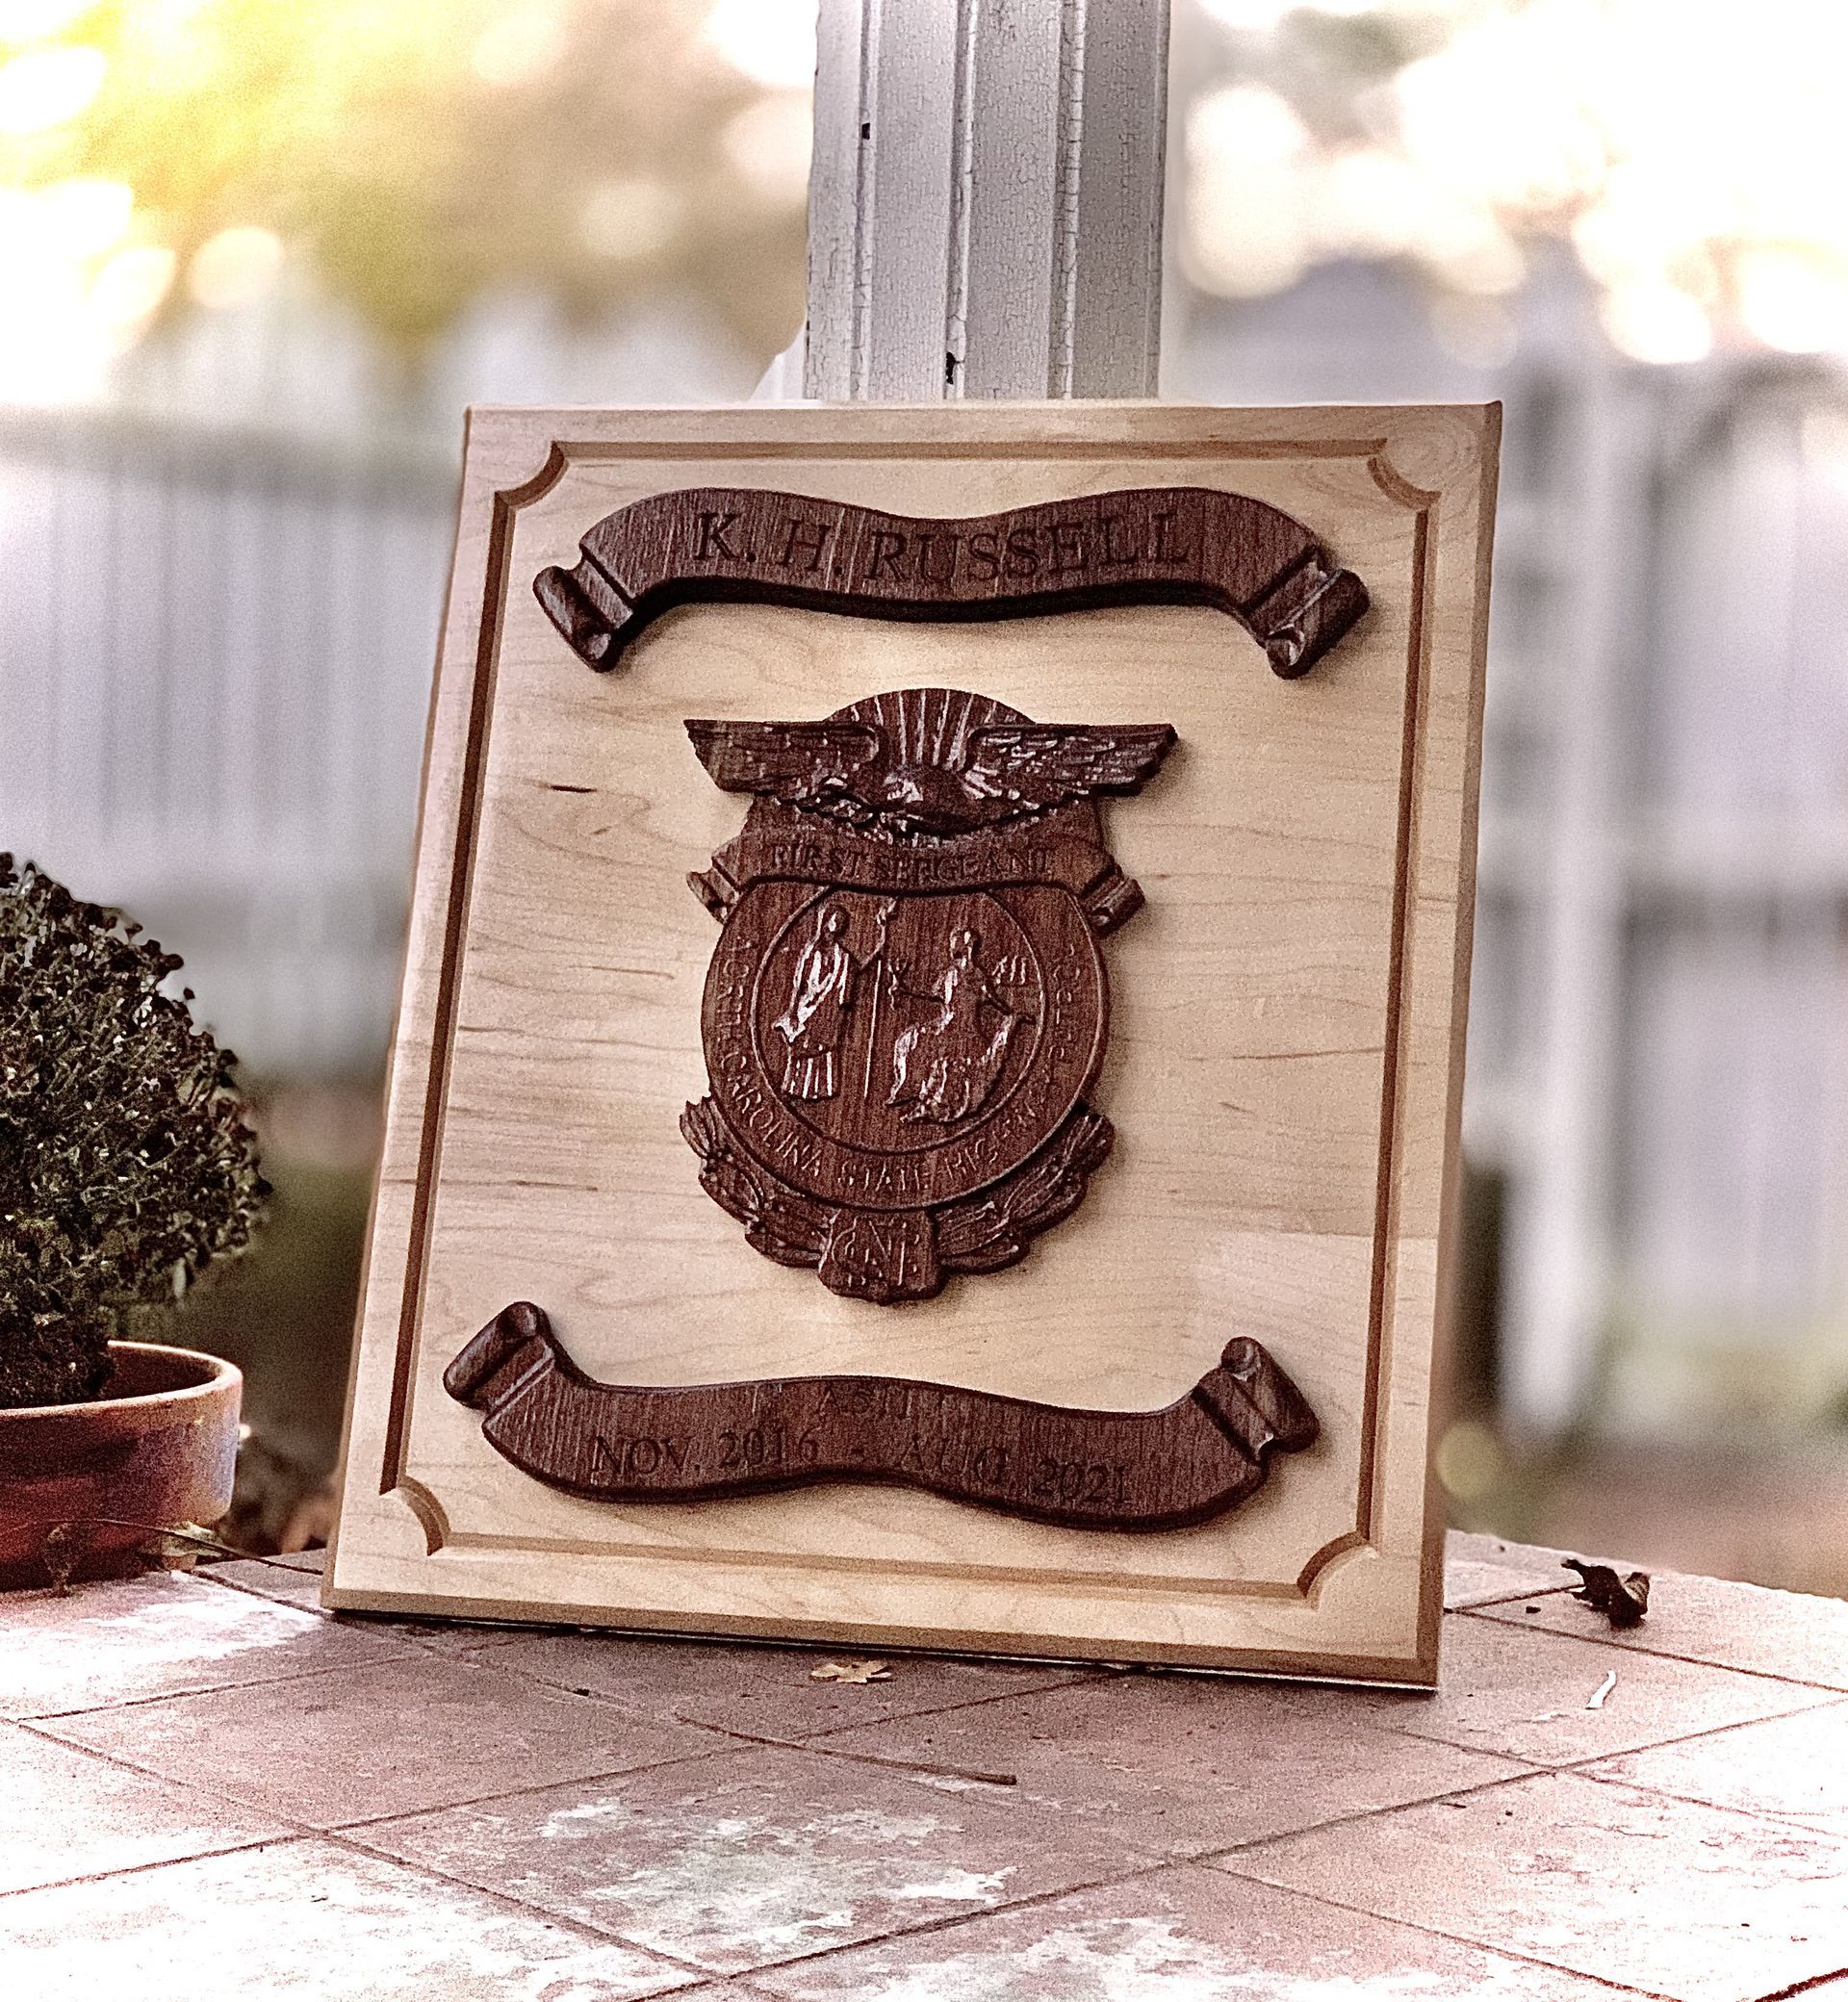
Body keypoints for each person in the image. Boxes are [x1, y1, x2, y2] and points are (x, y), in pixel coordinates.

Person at [887, 927, 1018, 1124]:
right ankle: (910, 1090)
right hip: (947, 1024)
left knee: (935, 1053)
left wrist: (1012, 1013)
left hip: (967, 1031)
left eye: (966, 945)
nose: (962, 949)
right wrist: (905, 990)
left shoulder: (978, 976)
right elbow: (933, 995)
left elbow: (996, 1001)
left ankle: (932, 1104)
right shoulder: (950, 973)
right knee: (911, 1039)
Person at [774, 906, 860, 1100]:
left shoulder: (844, 958)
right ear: (826, 921)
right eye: (835, 919)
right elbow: (799, 984)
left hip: (828, 1013)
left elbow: (846, 990)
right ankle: (793, 1088)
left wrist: (841, 1021)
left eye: (842, 921)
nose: (839, 924)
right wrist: (793, 1011)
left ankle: (818, 1092)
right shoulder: (811, 951)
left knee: (822, 1052)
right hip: (806, 1008)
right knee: (800, 1047)